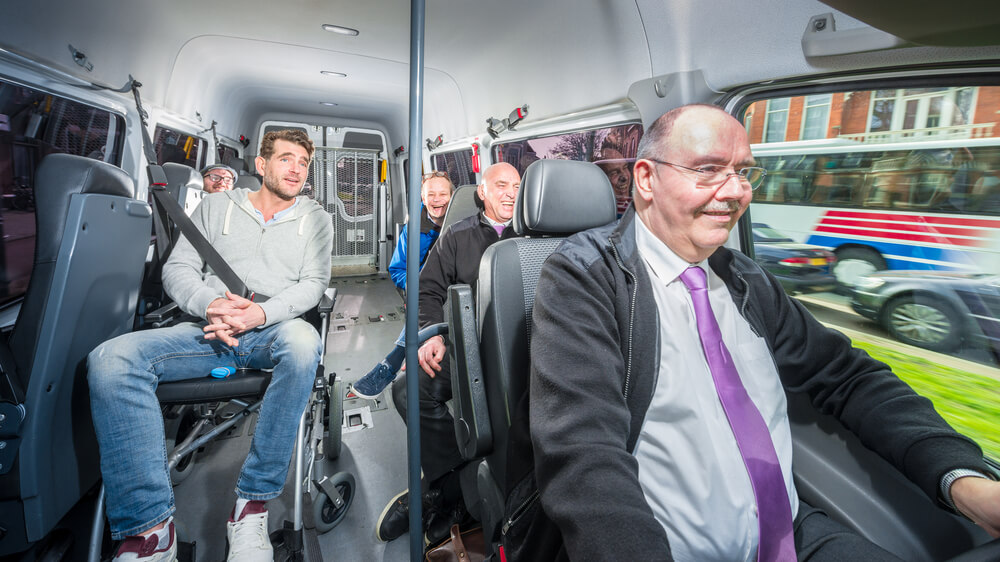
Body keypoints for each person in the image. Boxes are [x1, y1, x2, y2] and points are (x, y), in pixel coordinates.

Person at [520, 104, 1000, 561]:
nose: (736, 191)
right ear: (647, 178)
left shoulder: (746, 279)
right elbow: (586, 456)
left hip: (795, 534)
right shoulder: (585, 278)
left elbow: (847, 376)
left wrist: (962, 479)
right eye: (709, 169)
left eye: (744, 172)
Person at [88, 129, 333, 562]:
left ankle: (251, 505)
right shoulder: (216, 207)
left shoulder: (317, 219)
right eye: (286, 159)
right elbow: (178, 270)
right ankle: (151, 530)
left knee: (303, 343)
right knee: (111, 359)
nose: (296, 169)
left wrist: (260, 314)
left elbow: (314, 284)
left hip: (273, 330)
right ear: (261, 164)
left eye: (303, 162)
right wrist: (212, 304)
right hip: (208, 331)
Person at [376, 162, 521, 544]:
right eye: (501, 185)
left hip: (521, 351)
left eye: (517, 186)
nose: (510, 193)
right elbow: (427, 291)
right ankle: (454, 484)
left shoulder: (534, 234)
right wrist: (431, 335)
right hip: (471, 347)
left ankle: (446, 494)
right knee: (408, 389)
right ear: (482, 192)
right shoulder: (457, 235)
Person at [351, 171, 454, 398]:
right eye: (431, 194)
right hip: (427, 291)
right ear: (423, 198)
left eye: (443, 194)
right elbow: (397, 270)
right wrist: (414, 286)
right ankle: (398, 362)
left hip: (456, 289)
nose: (437, 200)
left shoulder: (462, 226)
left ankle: (392, 363)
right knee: (423, 300)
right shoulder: (413, 230)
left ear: (452, 196)